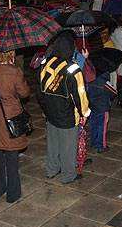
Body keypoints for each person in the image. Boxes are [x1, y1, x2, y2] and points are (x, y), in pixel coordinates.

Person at [37, 30, 91, 184]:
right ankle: (68, 175)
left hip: (50, 111)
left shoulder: (46, 64)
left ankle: (52, 170)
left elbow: (39, 89)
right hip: (68, 114)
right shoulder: (73, 69)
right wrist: (84, 113)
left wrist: (45, 107)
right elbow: (80, 95)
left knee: (53, 144)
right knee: (68, 146)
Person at [0, 49, 30, 203]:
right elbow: (24, 93)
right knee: (12, 156)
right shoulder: (14, 71)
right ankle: (13, 193)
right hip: (11, 115)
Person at [86, 71, 117, 153]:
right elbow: (113, 92)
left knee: (93, 126)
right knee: (102, 127)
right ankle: (101, 146)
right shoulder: (104, 83)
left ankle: (94, 143)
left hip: (92, 106)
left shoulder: (89, 80)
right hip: (103, 108)